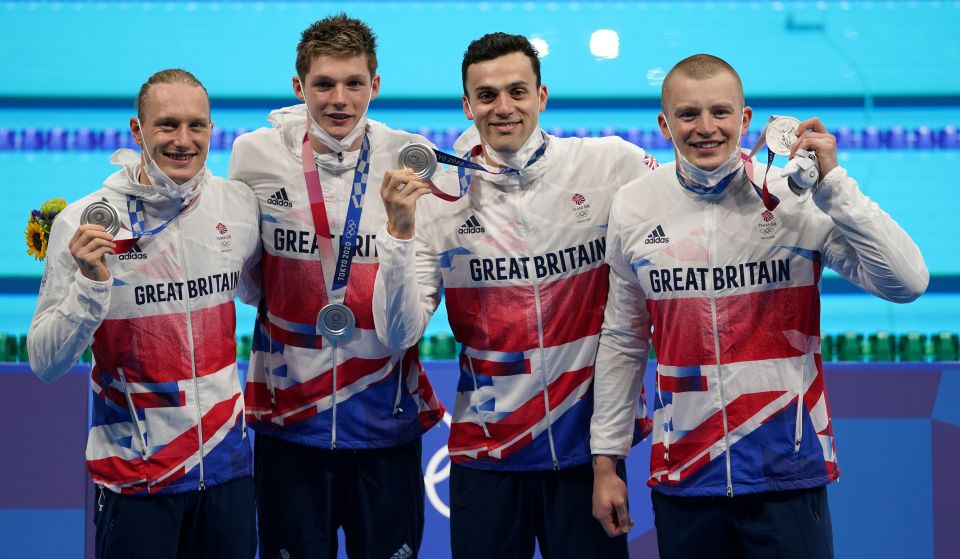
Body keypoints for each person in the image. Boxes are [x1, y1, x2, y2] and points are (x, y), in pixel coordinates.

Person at [590, 54, 929, 559]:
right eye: (688, 115)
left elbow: (907, 282)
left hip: (788, 470)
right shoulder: (635, 205)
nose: (706, 128)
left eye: (720, 113)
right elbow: (623, 338)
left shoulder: (795, 197)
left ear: (745, 120)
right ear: (664, 125)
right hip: (685, 470)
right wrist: (606, 462)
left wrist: (835, 186)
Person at [374, 32, 658, 559]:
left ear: (542, 96)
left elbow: (687, 196)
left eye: (517, 92)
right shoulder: (440, 198)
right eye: (486, 96)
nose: (503, 108)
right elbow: (400, 332)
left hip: (585, 455)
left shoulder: (609, 167)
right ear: (466, 106)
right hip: (486, 452)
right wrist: (398, 232)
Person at [228, 13, 444, 559]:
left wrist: (397, 229)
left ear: (376, 85)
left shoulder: (410, 159)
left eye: (354, 84)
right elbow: (251, 284)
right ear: (299, 88)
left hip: (384, 422)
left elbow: (407, 327)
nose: (339, 99)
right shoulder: (255, 155)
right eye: (323, 84)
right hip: (289, 421)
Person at [27, 68, 260, 559]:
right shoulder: (84, 220)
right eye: (167, 125)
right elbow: (45, 362)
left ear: (212, 131)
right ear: (137, 131)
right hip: (136, 481)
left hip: (226, 471)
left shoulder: (236, 206)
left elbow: (263, 293)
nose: (183, 140)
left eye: (196, 126)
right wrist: (91, 283)